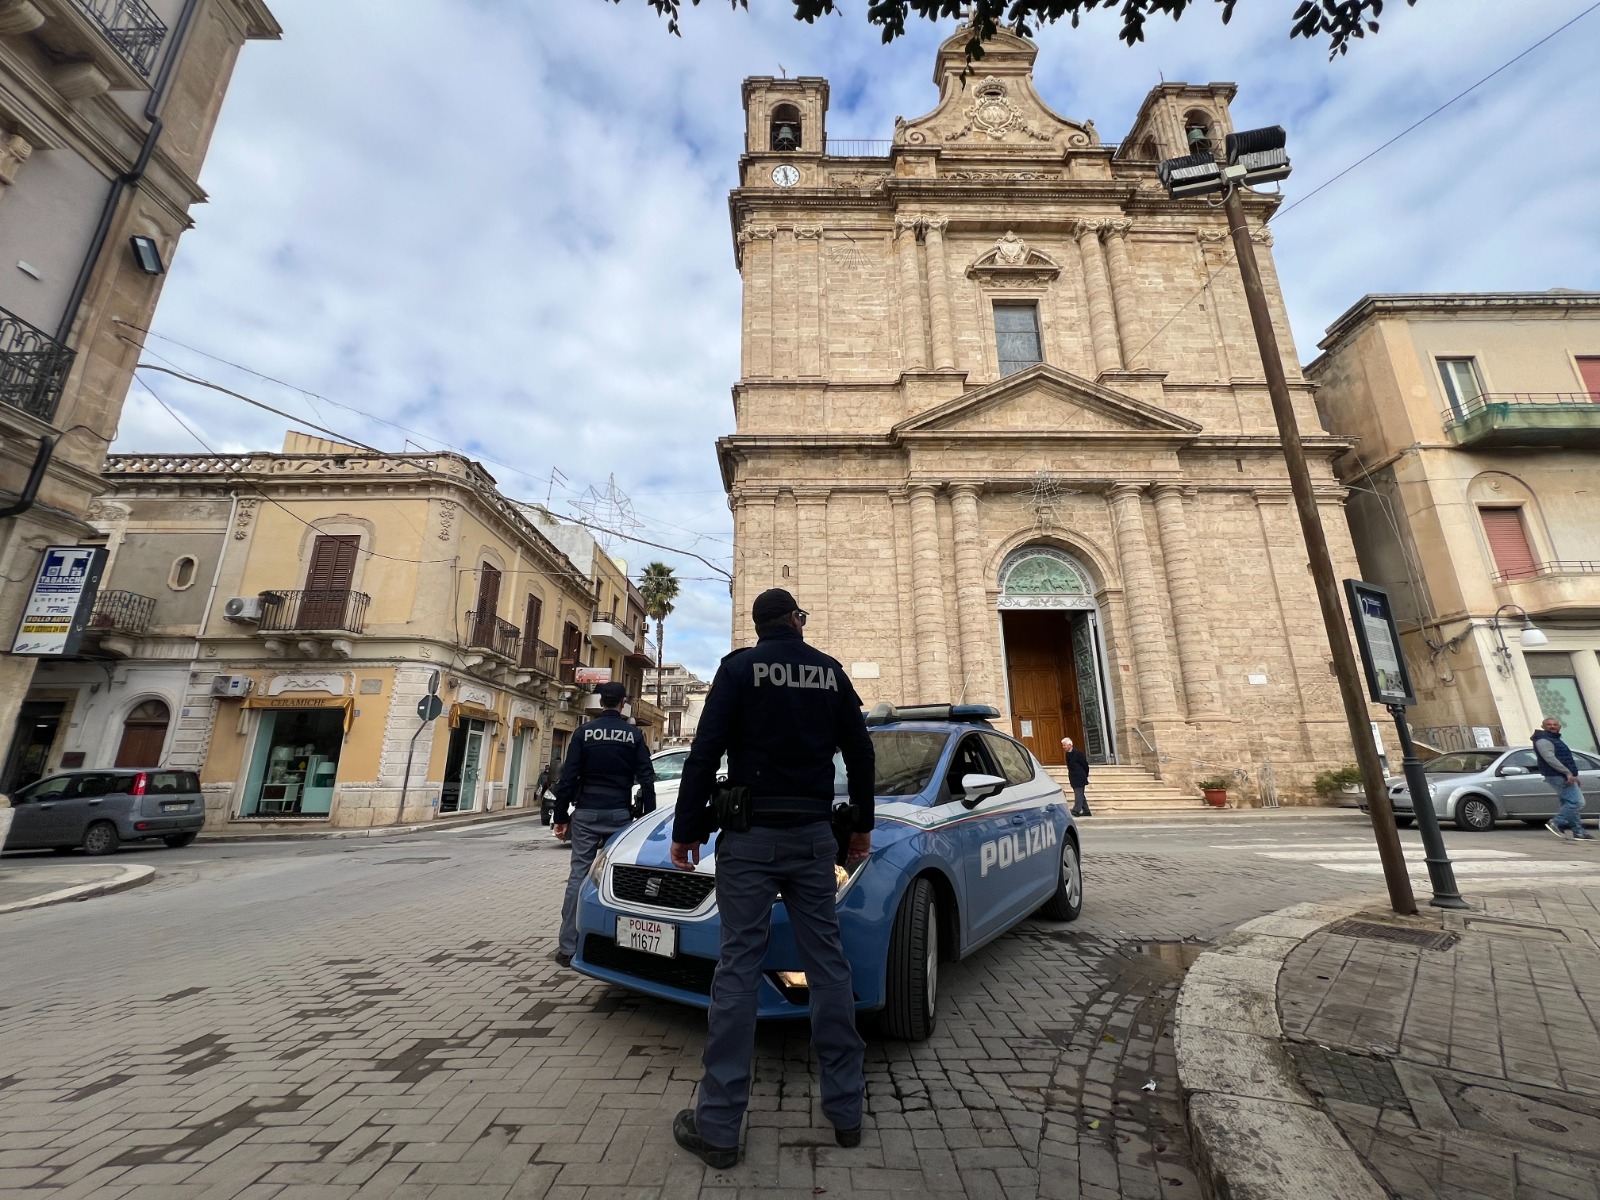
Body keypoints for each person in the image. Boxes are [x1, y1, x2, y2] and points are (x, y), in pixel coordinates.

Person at [668, 588, 876, 1169]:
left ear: (760, 627)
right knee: (827, 964)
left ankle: (718, 1128)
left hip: (749, 838)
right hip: (812, 837)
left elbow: (703, 754)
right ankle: (845, 1111)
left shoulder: (737, 669)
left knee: (737, 967)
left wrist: (687, 830)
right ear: (795, 620)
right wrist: (860, 827)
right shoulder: (829, 672)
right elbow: (860, 754)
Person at [553, 681, 657, 965]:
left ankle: (568, 948)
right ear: (622, 703)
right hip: (619, 815)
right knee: (621, 881)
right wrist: (648, 818)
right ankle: (622, 947)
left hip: (586, 813)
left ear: (601, 702)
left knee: (578, 876)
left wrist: (560, 816)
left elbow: (568, 778)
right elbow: (647, 779)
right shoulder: (634, 735)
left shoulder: (583, 733)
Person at [1534, 716, 1594, 841]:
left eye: (1555, 724)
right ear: (1543, 726)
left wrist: (1573, 775)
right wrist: (1567, 773)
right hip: (1557, 775)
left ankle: (1579, 832)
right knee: (1577, 802)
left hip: (1563, 775)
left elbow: (1565, 759)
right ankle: (1555, 822)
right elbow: (1550, 759)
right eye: (1549, 724)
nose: (1552, 726)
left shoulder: (1556, 739)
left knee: (1569, 802)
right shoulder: (1543, 740)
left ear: (1559, 726)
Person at [1062, 737, 1091, 817]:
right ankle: (1086, 810)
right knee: (1080, 794)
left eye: (1064, 745)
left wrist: (1085, 775)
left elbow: (1085, 764)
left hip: (1080, 776)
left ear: (1070, 745)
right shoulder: (1067, 754)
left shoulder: (1078, 753)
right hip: (1073, 777)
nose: (1063, 747)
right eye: (1063, 745)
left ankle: (1076, 810)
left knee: (1078, 793)